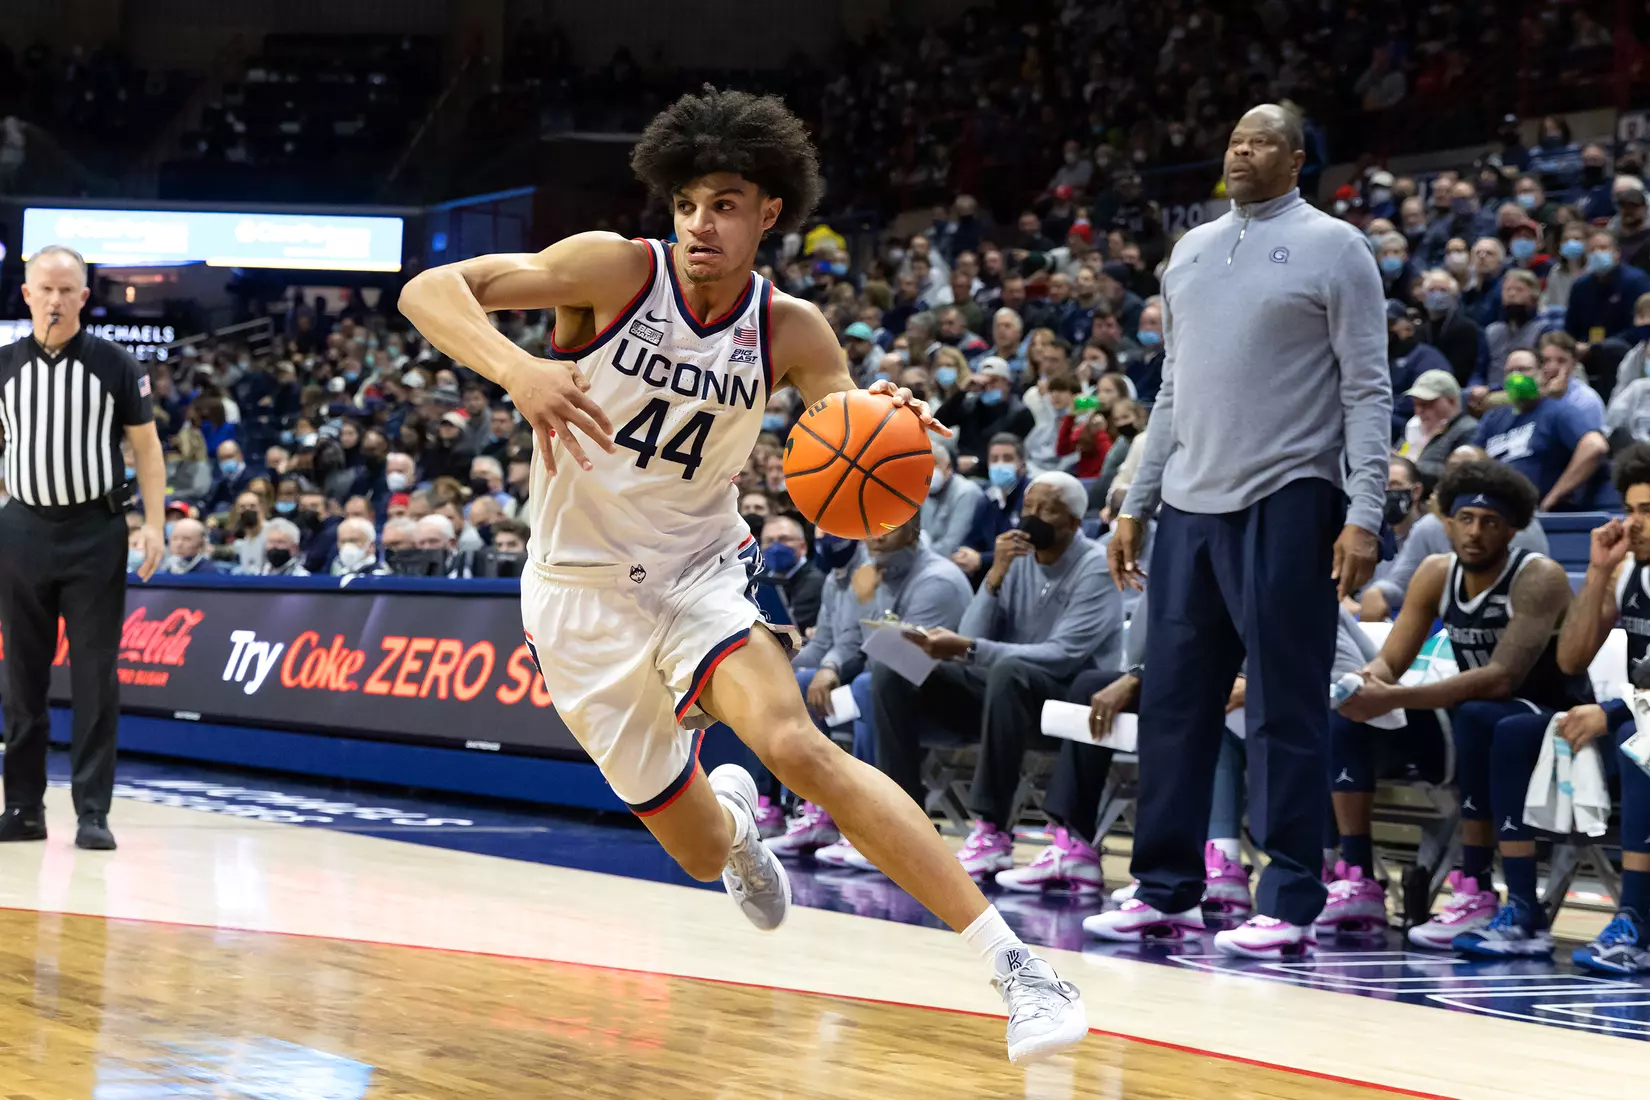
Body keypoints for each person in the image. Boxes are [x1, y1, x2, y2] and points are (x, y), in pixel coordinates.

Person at [396, 85, 1087, 1061]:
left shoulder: (791, 327)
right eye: (686, 203)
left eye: (723, 202)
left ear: (770, 211)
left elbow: (845, 443)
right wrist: (517, 369)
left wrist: (878, 423)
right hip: (578, 593)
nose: (699, 223)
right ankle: (733, 821)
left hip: (699, 568)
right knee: (697, 852)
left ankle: (1018, 965)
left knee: (797, 743)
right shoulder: (609, 269)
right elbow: (429, 290)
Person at [1101, 104, 1391, 960]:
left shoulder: (1337, 246)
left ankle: (1292, 898)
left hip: (1290, 496)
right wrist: (1134, 501)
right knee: (1175, 708)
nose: (1240, 149)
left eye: (1260, 140)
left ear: (1297, 159)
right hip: (1189, 502)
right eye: (1232, 138)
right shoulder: (1187, 251)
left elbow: (1368, 389)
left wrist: (1365, 513)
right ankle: (1165, 891)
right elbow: (1170, 391)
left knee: (1283, 707)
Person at [1338, 460, 1590, 956]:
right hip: (1471, 719)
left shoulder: (1538, 576)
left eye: (1490, 522)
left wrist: (1392, 696)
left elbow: (1502, 678)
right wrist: (1364, 686)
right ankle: (1357, 879)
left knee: (1478, 712)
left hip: (1545, 722)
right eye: (1465, 519)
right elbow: (1391, 660)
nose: (1474, 533)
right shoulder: (1435, 573)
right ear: (1446, 521)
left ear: (1513, 527)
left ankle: (1474, 885)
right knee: (1345, 715)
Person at [871, 473, 1121, 877]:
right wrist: (994, 576)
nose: (1031, 517)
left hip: (1065, 702)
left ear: (1075, 522)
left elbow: (1062, 656)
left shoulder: (1094, 567)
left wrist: (969, 649)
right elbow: (972, 636)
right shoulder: (1016, 560)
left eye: (1047, 510)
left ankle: (992, 833)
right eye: (1027, 507)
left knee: (1009, 670)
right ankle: (905, 821)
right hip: (1002, 695)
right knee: (893, 665)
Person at [0, 245, 164, 852]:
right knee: (21, 678)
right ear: (26, 294)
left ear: (84, 298)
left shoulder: (115, 363)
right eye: (45, 289)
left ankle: (93, 811)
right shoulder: (3, 365)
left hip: (95, 533)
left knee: (96, 676)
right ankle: (21, 807)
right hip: (20, 531)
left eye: (68, 290)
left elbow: (146, 449)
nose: (56, 299)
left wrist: (154, 524)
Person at [1551, 446, 1650, 973]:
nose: (1634, 524)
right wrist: (1596, 574)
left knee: (1639, 738)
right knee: (1508, 730)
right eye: (1631, 510)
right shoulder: (1630, 570)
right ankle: (1514, 906)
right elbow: (1571, 657)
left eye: (1649, 511)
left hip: (1640, 725)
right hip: (1641, 718)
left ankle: (1634, 917)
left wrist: (1611, 713)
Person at [1474, 348, 1610, 512]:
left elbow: (1595, 446)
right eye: (1510, 371)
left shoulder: (1558, 411)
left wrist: (1552, 498)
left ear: (1542, 373)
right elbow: (1470, 456)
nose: (1516, 377)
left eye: (1523, 370)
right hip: (1492, 509)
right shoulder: (1494, 417)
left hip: (1533, 512)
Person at [1566, 228, 1650, 345]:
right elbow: (1570, 328)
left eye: (1603, 248)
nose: (1597, 253)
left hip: (1624, 348)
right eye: (1592, 250)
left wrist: (1600, 346)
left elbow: (1640, 327)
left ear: (1617, 253)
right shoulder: (1580, 286)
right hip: (1585, 348)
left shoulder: (1636, 281)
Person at [1406, 370, 1480, 482]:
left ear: (1452, 400)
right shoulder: (1413, 427)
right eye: (1415, 404)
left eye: (1426, 404)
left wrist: (1409, 468)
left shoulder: (1468, 430)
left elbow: (1459, 475)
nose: (1418, 411)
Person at [921, 440, 984, 559]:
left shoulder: (966, 491)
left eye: (933, 463)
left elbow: (951, 546)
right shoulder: (922, 493)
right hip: (927, 560)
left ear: (948, 467)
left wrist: (915, 558)